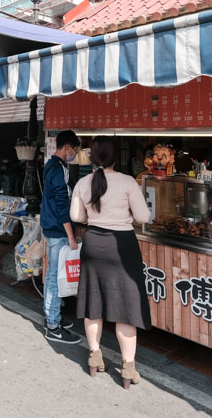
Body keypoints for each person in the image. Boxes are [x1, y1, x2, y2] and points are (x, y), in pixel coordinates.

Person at [70, 136, 151, 389]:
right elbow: (143, 216)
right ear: (116, 157)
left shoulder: (84, 183)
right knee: (126, 306)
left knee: (93, 301)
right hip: (122, 246)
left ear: (92, 157)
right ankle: (128, 367)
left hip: (94, 244)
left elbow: (76, 216)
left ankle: (95, 356)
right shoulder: (127, 182)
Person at [40, 130, 82, 343]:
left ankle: (51, 316)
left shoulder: (51, 166)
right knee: (56, 278)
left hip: (50, 228)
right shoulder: (59, 170)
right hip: (58, 231)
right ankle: (53, 326)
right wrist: (71, 235)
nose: (74, 154)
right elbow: (62, 205)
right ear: (67, 148)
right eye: (74, 150)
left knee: (51, 276)